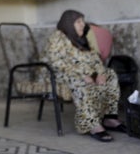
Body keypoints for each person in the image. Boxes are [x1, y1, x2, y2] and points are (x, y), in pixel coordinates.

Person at [45, 10, 126, 143]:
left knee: (110, 74)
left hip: (87, 72)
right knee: (80, 82)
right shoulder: (58, 37)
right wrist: (81, 75)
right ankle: (92, 125)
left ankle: (109, 117)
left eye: (83, 21)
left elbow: (95, 58)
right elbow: (55, 62)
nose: (83, 24)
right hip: (64, 75)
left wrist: (100, 73)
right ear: (68, 24)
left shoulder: (82, 39)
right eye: (78, 22)